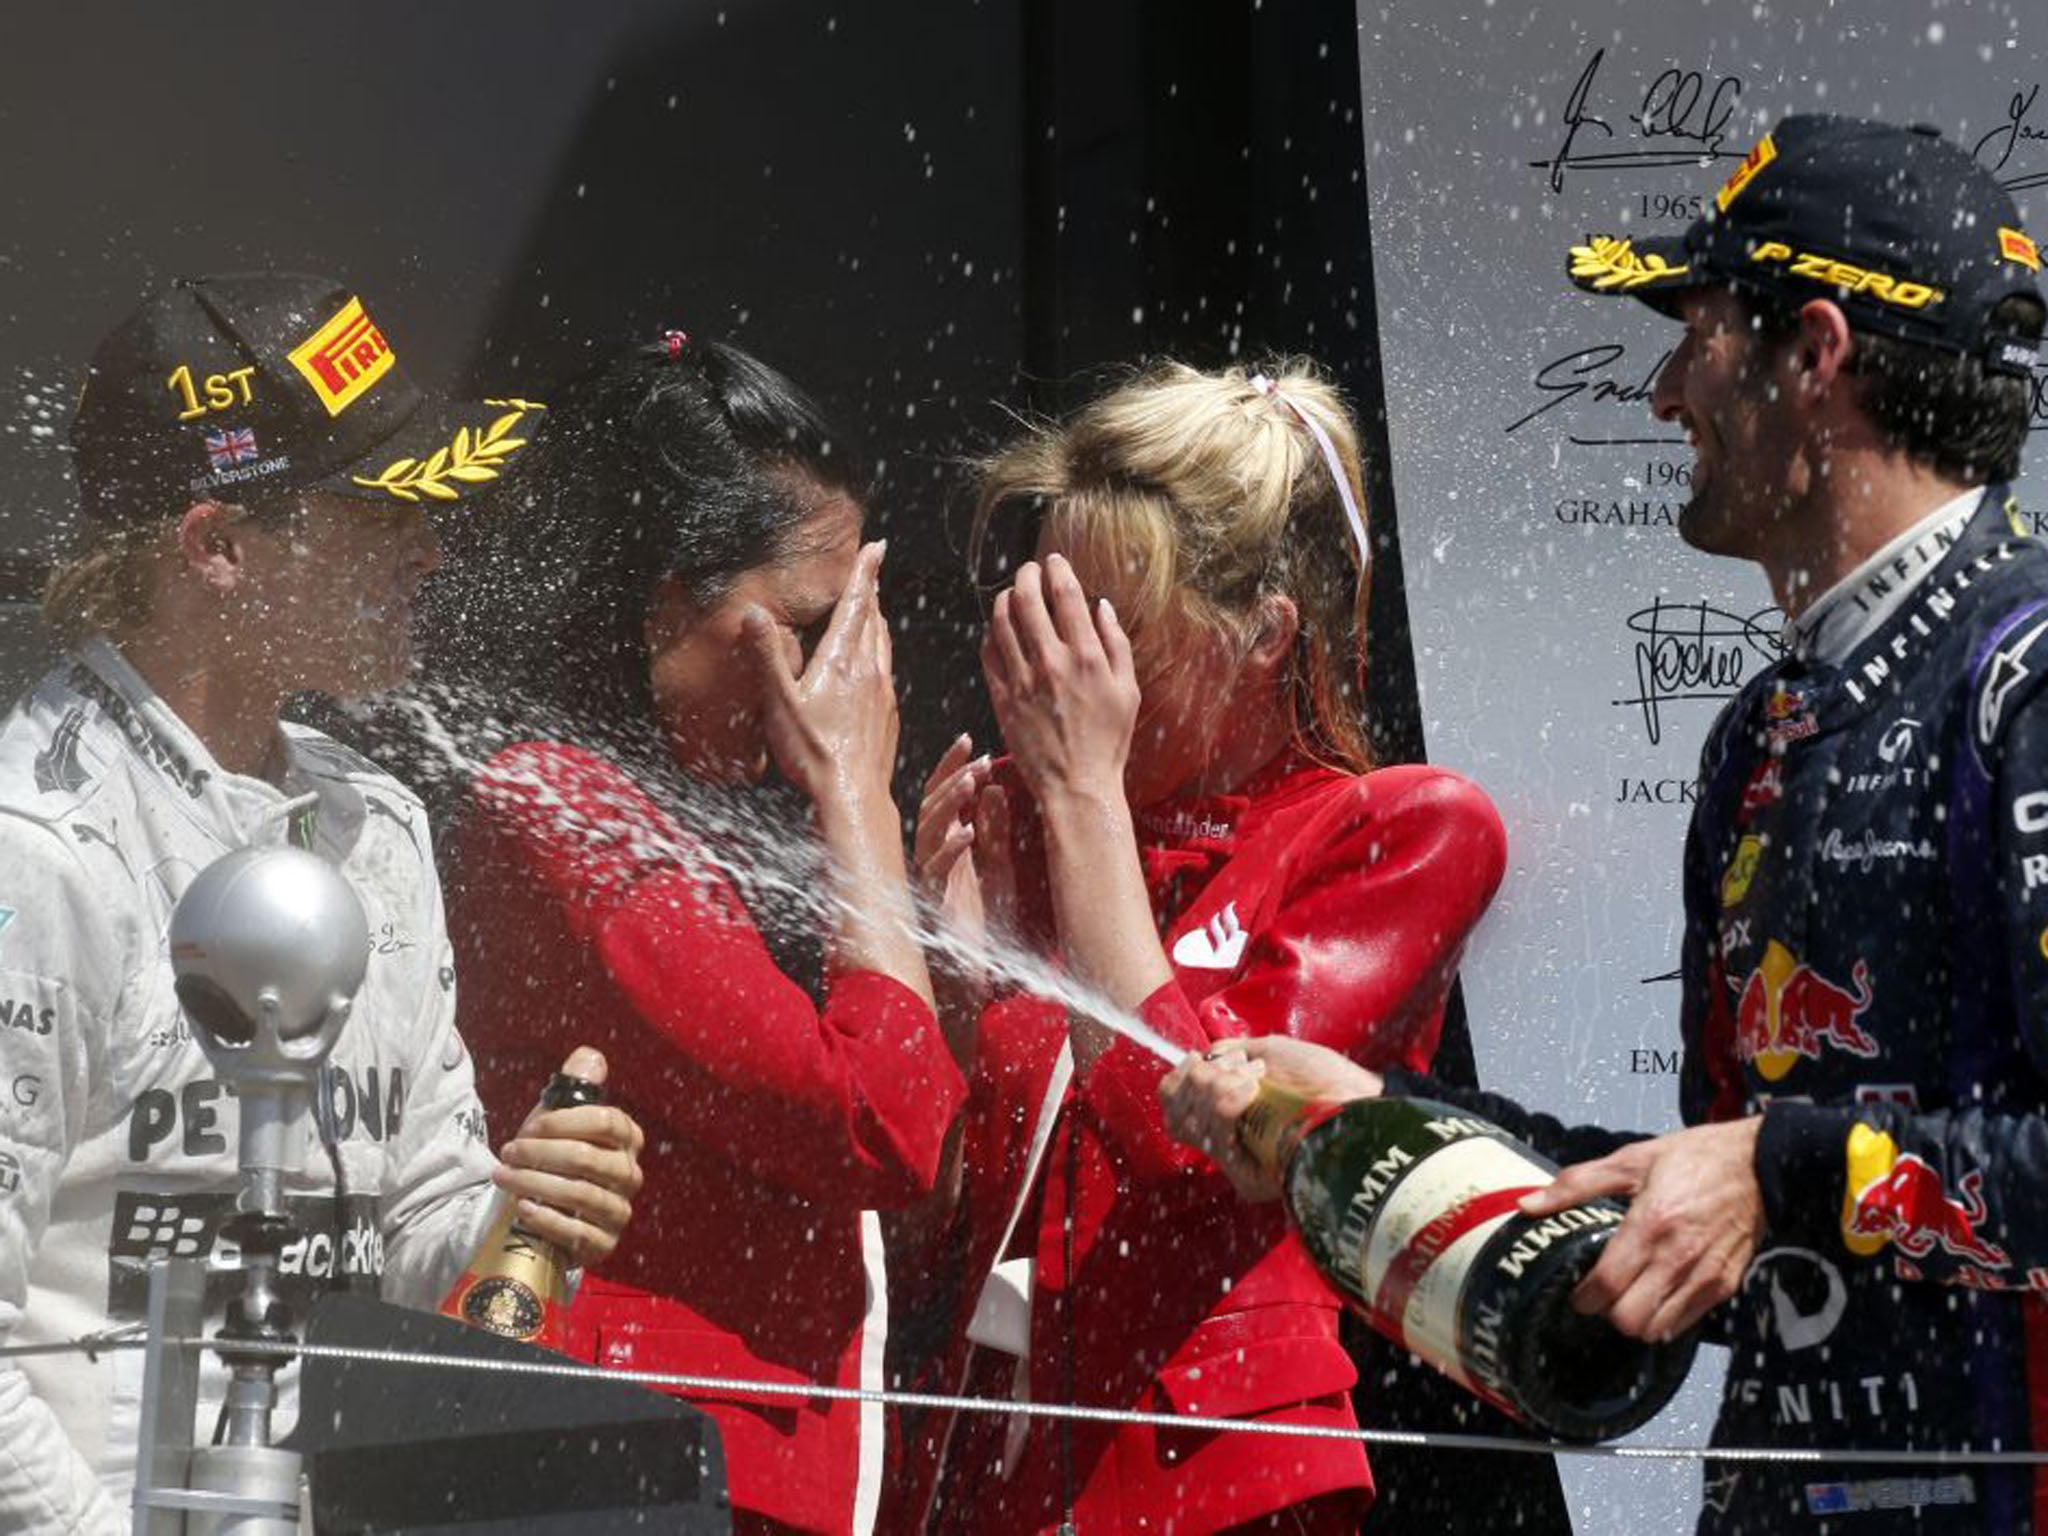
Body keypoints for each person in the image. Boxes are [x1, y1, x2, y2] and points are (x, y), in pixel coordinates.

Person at [1161, 115, 2048, 1534]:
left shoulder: (2025, 678)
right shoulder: (1765, 734)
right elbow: (1707, 1204)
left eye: (1695, 337)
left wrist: (1779, 1169)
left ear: (1814, 357)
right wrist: (1379, 1116)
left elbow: (1787, 1176)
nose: (1660, 395)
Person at [0, 273, 646, 1535]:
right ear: (218, 545)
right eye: (378, 508)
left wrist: (519, 1213)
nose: (429, 547)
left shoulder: (379, 826)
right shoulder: (36, 850)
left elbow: (404, 1239)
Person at [896, 360, 1508, 1533]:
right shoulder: (1035, 815)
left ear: (1263, 634)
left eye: (1114, 628)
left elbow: (1196, 1145)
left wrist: (1081, 803)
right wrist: (956, 993)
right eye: (1057, 611)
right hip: (989, 1475)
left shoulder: (1402, 828)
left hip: (1215, 1486)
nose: (1071, 669)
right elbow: (924, 1240)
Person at [439, 335, 968, 1536]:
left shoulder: (690, 818)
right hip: (636, 1474)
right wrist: (857, 800)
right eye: (808, 622)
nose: (844, 670)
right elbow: (879, 1124)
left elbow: (921, 1192)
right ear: (667, 596)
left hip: (717, 1473)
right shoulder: (559, 810)